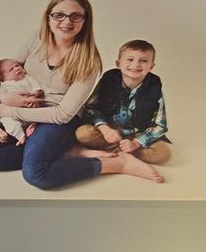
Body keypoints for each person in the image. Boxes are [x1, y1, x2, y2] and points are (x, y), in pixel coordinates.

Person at [0, 0, 161, 188]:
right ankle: (67, 152)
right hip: (23, 114)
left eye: (75, 16)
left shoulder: (89, 60)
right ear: (49, 17)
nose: (66, 21)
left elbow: (63, 114)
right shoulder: (37, 39)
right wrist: (5, 98)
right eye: (59, 14)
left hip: (57, 120)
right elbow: (5, 73)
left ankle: (117, 164)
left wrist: (11, 111)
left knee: (36, 174)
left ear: (85, 21)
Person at [73, 39, 170, 173]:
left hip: (136, 134)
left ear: (151, 67)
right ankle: (119, 149)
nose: (135, 65)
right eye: (130, 59)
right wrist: (105, 129)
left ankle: (123, 152)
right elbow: (91, 106)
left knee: (163, 154)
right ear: (118, 64)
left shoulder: (154, 86)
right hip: (109, 132)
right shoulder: (109, 79)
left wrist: (136, 143)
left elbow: (160, 125)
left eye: (143, 61)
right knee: (83, 134)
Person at [0, 57, 44, 144]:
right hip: (11, 112)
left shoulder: (27, 78)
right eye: (11, 69)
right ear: (2, 78)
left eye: (17, 65)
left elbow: (36, 86)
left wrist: (35, 93)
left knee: (37, 114)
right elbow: (0, 98)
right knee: (7, 121)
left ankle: (32, 126)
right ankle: (20, 136)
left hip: (30, 108)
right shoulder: (3, 84)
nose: (16, 68)